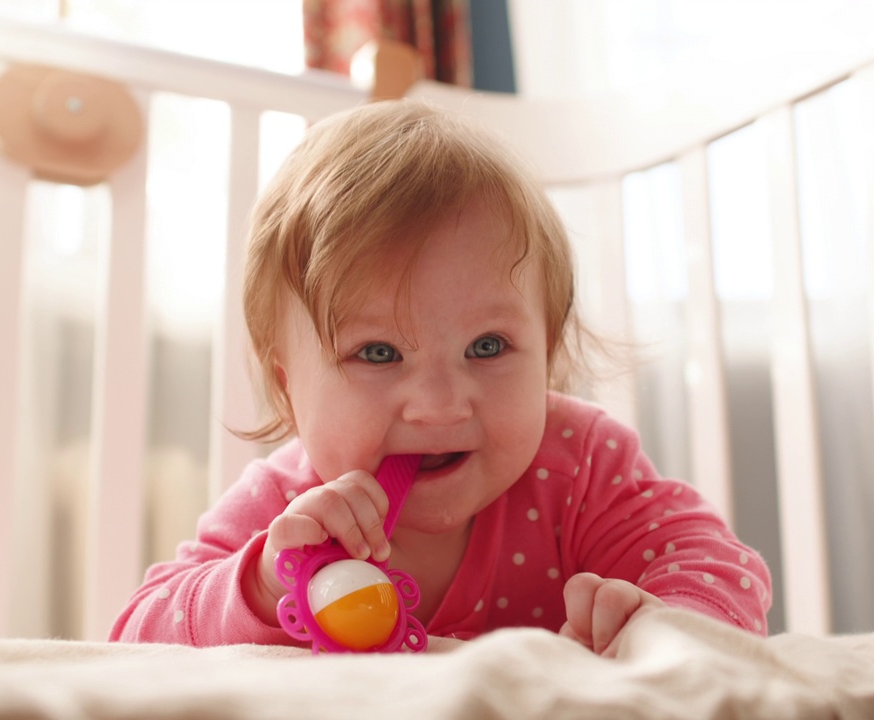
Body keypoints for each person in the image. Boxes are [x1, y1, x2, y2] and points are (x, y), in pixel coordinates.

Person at [110, 99, 771, 654]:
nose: (439, 406)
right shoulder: (287, 512)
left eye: (487, 346)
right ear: (289, 388)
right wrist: (258, 587)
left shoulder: (579, 468)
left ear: (548, 351)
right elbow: (136, 641)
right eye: (377, 354)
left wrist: (663, 625)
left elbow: (718, 569)